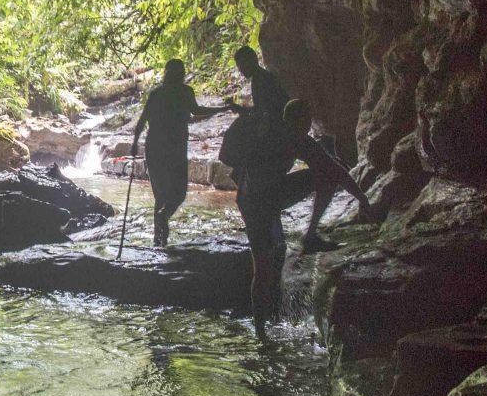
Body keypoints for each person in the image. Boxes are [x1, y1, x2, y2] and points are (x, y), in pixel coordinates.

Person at [236, 98, 377, 341]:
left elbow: (334, 169)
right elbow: (243, 168)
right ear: (293, 121)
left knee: (327, 172)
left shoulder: (299, 138)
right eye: (306, 120)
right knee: (263, 268)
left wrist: (363, 200)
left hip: (273, 193)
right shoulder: (274, 136)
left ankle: (310, 236)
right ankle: (260, 332)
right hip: (255, 203)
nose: (309, 124)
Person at [232, 45, 342, 254]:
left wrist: (249, 118)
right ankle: (271, 225)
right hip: (276, 136)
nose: (241, 71)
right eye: (238, 67)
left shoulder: (263, 79)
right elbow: (263, 111)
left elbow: (269, 113)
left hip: (277, 136)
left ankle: (272, 227)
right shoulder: (260, 79)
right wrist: (244, 111)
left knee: (255, 181)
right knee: (252, 179)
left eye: (241, 65)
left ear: (252, 60)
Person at [131, 59, 234, 246]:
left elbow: (142, 120)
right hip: (174, 149)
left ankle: (159, 239)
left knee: (160, 196)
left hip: (154, 148)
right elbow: (198, 111)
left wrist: (134, 143)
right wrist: (222, 108)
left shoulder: (156, 93)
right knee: (179, 194)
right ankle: (163, 224)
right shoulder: (185, 92)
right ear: (181, 73)